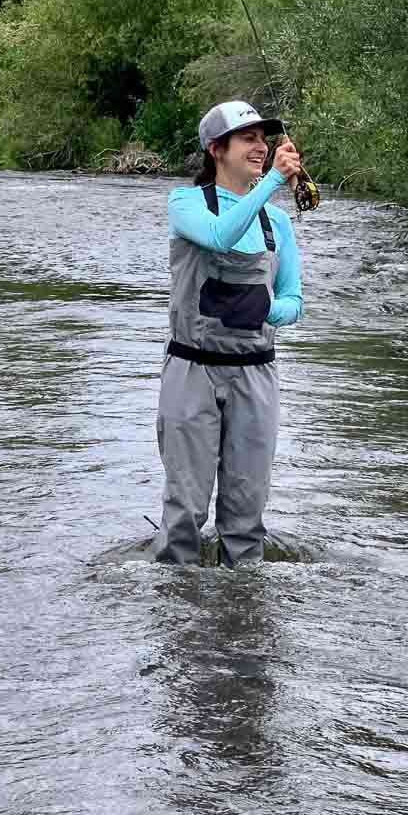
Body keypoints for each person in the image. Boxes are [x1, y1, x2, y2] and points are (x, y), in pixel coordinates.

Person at [154, 99, 305, 567]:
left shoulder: (277, 222)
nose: (260, 147)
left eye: (264, 138)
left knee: (246, 517)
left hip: (255, 377)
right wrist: (275, 183)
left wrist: (266, 311)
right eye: (248, 139)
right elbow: (220, 236)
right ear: (217, 149)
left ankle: (242, 620)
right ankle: (176, 615)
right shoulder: (185, 204)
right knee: (185, 513)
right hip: (192, 371)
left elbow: (294, 302)